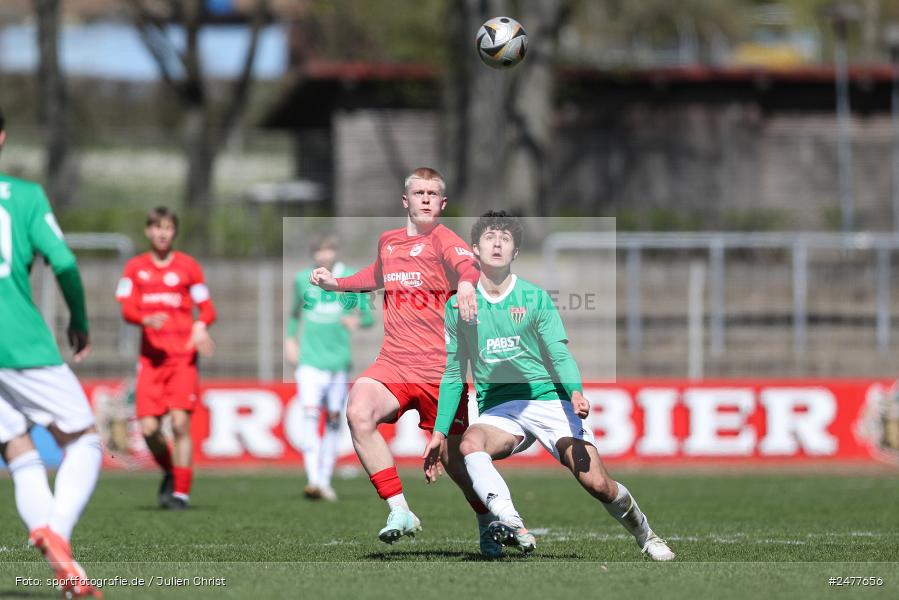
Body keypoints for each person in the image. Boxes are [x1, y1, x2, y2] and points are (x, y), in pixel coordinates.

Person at [423, 210, 675, 561]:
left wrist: (575, 390)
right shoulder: (458, 306)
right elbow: (453, 373)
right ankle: (511, 522)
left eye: (506, 238)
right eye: (490, 237)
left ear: (515, 253)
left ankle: (647, 535)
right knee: (470, 443)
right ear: (474, 250)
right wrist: (438, 432)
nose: (497, 243)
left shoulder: (535, 298)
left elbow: (559, 353)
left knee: (597, 484)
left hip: (548, 399)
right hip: (500, 408)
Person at [309, 167, 504, 557]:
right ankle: (399, 510)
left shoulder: (444, 239)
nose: (426, 199)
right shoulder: (388, 241)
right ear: (406, 200)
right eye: (420, 193)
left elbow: (468, 265)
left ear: (443, 203)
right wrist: (337, 285)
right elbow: (376, 275)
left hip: (439, 371)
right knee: (358, 412)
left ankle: (487, 520)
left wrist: (466, 281)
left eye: (434, 193)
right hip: (393, 363)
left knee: (457, 463)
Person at [0, 107, 103, 597]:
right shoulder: (23, 196)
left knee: (17, 448)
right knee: (83, 439)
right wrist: (78, 320)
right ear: (1, 138)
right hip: (17, 340)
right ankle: (56, 530)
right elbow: (63, 260)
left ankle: (70, 572)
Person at [116, 207, 217, 510]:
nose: (162, 233)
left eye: (168, 228)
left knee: (179, 425)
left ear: (175, 232)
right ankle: (172, 471)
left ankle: (181, 494)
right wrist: (145, 319)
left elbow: (208, 309)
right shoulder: (135, 267)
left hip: (183, 359)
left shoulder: (188, 267)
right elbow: (126, 308)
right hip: (150, 362)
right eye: (157, 227)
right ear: (148, 231)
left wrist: (200, 326)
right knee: (148, 429)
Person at [285, 232, 373, 501]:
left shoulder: (349, 279)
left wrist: (356, 322)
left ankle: (324, 479)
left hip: (338, 362)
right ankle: (313, 479)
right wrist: (290, 339)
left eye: (329, 250)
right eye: (319, 251)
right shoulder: (302, 280)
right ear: (314, 254)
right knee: (310, 417)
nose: (324, 255)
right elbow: (294, 314)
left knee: (334, 421)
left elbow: (368, 318)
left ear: (335, 251)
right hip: (309, 362)